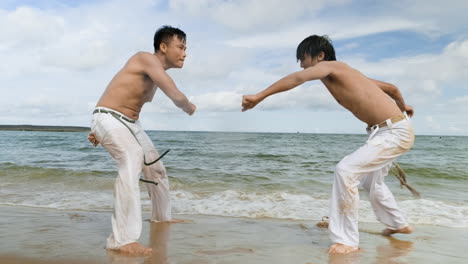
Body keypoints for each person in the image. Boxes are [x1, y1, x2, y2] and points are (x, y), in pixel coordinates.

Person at [241, 35, 415, 254]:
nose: (302, 65)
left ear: (320, 56)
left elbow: (297, 78)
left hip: (393, 132)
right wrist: (404, 105)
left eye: (303, 58)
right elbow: (391, 88)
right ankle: (398, 223)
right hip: (386, 131)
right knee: (372, 183)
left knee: (346, 170)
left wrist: (259, 96)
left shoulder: (332, 67)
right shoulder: (349, 75)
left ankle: (347, 241)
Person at [88, 25, 196, 255]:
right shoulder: (145, 59)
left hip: (128, 124)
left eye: (186, 48)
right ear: (164, 47)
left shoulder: (155, 73)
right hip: (109, 117)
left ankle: (161, 218)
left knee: (155, 169)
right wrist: (189, 106)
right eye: (181, 47)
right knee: (132, 158)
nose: (185, 53)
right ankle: (121, 239)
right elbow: (174, 94)